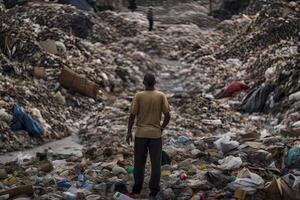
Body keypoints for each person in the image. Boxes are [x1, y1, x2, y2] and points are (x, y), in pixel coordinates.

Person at [126, 73, 171, 199]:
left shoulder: (139, 96)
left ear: (143, 82)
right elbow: (168, 116)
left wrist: (129, 132)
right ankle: (153, 191)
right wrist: (161, 128)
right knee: (156, 164)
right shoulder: (161, 96)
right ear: (155, 82)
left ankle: (137, 188)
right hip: (155, 135)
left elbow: (132, 115)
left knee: (139, 163)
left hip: (140, 134)